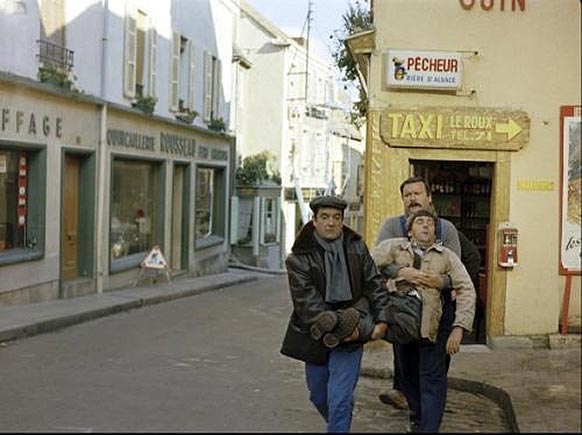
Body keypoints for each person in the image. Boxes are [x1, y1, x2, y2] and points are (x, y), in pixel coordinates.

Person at [280, 195, 389, 433]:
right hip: (317, 334)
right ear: (315, 221)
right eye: (325, 217)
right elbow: (306, 303)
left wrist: (382, 319)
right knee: (319, 396)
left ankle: (339, 425)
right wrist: (334, 324)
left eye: (336, 218)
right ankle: (340, 423)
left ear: (343, 220)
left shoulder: (356, 247)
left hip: (352, 332)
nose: (331, 223)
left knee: (339, 398)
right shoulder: (299, 258)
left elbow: (374, 283)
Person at [371, 209, 476, 433]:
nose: (426, 226)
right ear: (410, 231)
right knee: (408, 375)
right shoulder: (393, 247)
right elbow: (368, 267)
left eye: (430, 223)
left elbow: (466, 288)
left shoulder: (446, 255)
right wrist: (399, 272)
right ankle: (418, 418)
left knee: (432, 377)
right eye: (420, 222)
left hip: (434, 325)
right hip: (402, 324)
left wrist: (459, 327)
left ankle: (429, 428)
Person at [375, 176, 462, 412]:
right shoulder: (391, 227)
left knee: (435, 369)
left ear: (429, 197)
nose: (412, 198)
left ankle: (428, 417)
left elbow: (457, 273)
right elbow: (378, 263)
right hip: (403, 309)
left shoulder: (447, 229)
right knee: (407, 367)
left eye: (417, 193)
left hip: (439, 311)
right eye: (407, 195)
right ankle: (416, 411)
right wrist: (402, 271)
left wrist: (439, 281)